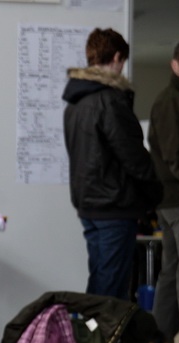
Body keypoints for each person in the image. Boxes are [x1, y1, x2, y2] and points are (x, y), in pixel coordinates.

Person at [62, 28, 161, 300]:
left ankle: (87, 337)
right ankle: (100, 341)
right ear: (117, 57)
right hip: (114, 206)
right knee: (112, 288)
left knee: (100, 277)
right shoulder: (109, 101)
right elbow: (134, 157)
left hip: (88, 204)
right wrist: (155, 194)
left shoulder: (75, 104)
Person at [148, 38, 179, 343]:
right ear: (175, 65)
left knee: (172, 273)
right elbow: (177, 156)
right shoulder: (173, 101)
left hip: (171, 201)